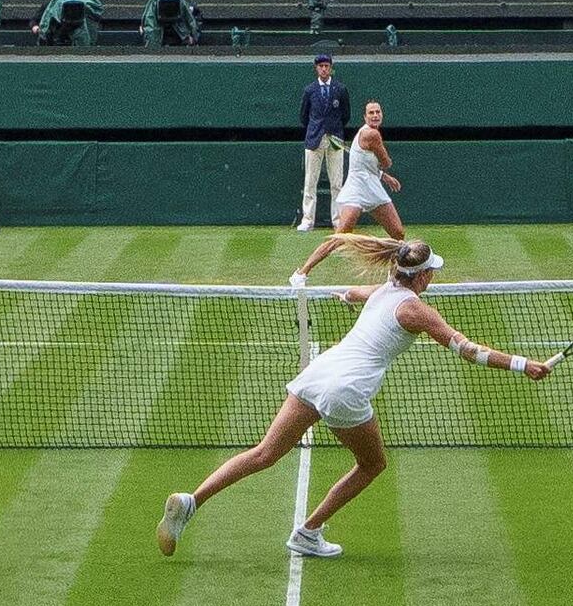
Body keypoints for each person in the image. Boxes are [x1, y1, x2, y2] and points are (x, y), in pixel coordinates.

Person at [159, 235, 544, 561]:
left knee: (264, 453)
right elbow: (469, 351)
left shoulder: (383, 292)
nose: (433, 277)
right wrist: (522, 364)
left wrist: (344, 295)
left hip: (318, 374)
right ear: (422, 276)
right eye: (432, 272)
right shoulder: (418, 311)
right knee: (372, 463)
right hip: (347, 390)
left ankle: (192, 500)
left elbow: (360, 293)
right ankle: (308, 532)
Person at [298, 102, 407, 267]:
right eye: (371, 113)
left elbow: (363, 165)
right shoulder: (372, 135)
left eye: (378, 112)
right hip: (356, 190)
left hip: (373, 189)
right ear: (365, 117)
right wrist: (385, 167)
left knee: (398, 234)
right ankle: (301, 273)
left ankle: (395, 274)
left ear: (382, 115)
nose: (375, 115)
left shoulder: (368, 134)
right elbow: (386, 162)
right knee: (339, 237)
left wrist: (384, 176)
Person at [293, 53, 354, 232]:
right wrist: (316, 130)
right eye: (321, 66)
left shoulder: (340, 89)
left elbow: (346, 115)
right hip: (314, 139)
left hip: (335, 138)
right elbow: (303, 117)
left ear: (331, 68)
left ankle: (337, 220)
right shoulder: (309, 90)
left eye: (327, 66)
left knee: (337, 182)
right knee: (310, 181)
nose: (324, 69)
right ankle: (307, 219)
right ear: (316, 69)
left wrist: (334, 129)